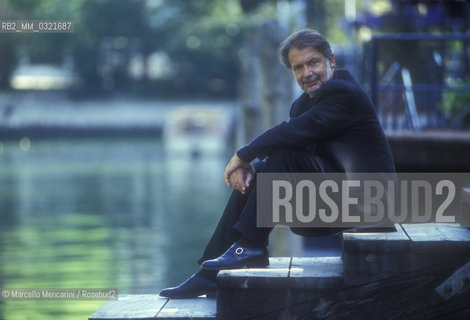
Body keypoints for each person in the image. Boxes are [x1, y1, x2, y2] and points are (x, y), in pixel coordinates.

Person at [159, 28, 395, 299]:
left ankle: (251, 245)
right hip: (339, 200)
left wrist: (242, 156)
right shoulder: (303, 104)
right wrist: (252, 168)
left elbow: (292, 135)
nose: (307, 73)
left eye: (313, 62)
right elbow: (294, 150)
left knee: (282, 155)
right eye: (298, 67)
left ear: (331, 61)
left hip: (370, 205)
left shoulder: (345, 93)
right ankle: (209, 274)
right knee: (259, 173)